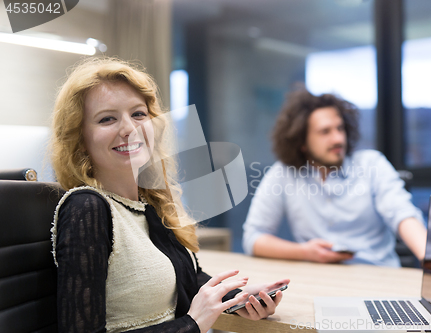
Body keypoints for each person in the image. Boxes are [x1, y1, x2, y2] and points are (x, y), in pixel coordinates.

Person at [50, 57, 289, 333]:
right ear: (79, 139)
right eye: (107, 119)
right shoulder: (86, 208)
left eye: (138, 114)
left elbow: (187, 278)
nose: (130, 129)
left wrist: (237, 298)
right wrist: (193, 323)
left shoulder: (149, 202)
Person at [242, 89, 428, 267]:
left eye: (340, 129)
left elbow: (402, 214)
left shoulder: (372, 164)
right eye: (325, 132)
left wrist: (430, 257)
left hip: (377, 276)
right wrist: (305, 252)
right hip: (319, 280)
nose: (338, 139)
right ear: (302, 142)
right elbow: (253, 237)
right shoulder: (284, 173)